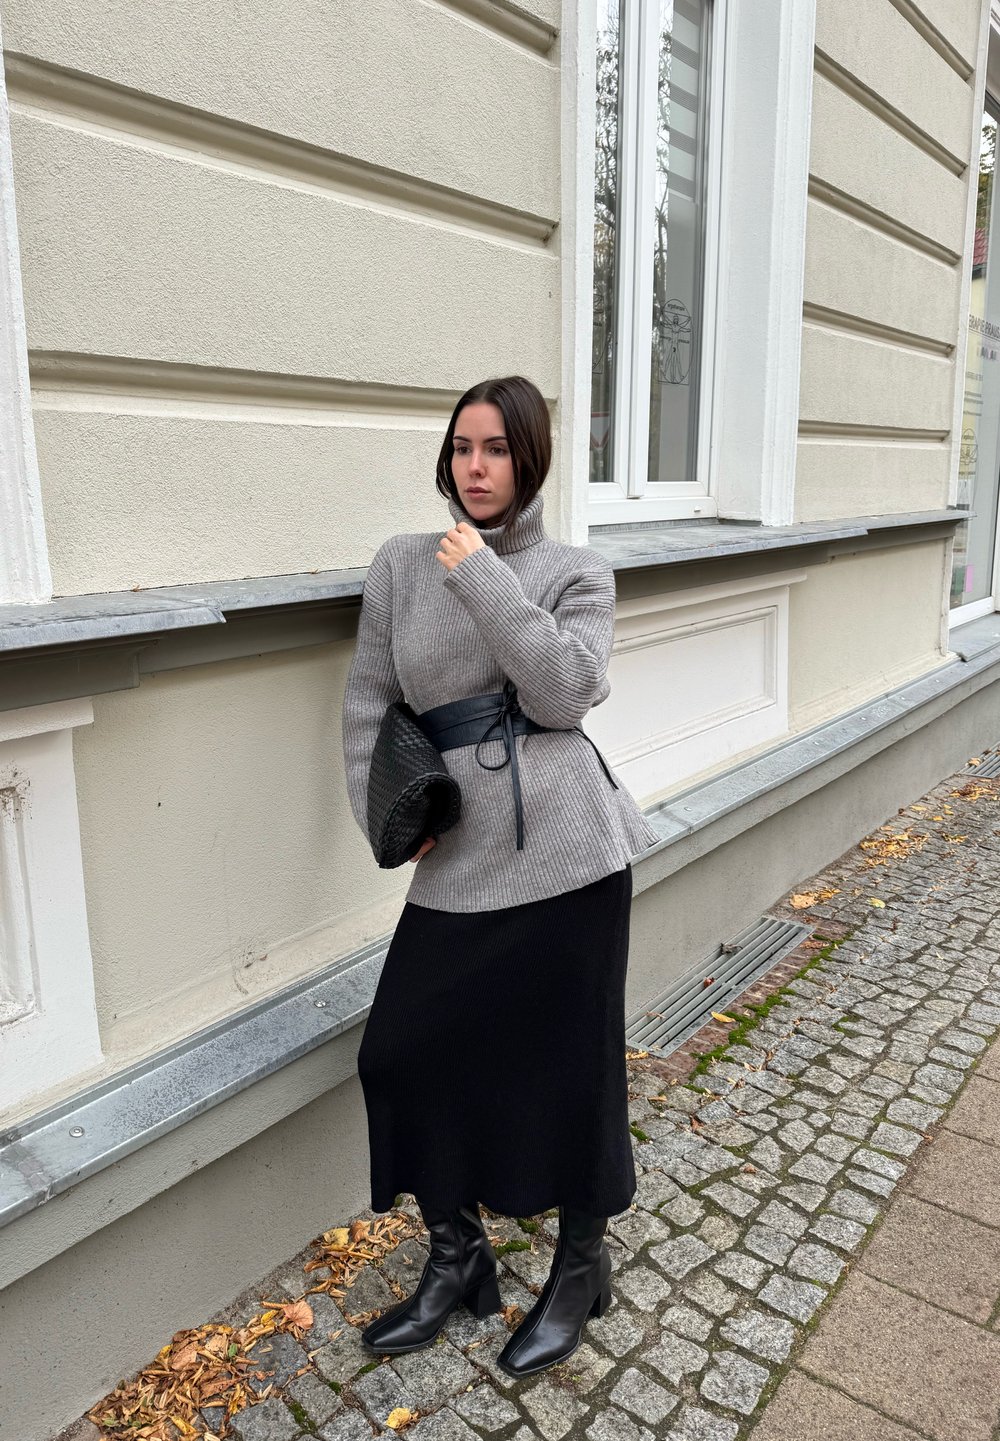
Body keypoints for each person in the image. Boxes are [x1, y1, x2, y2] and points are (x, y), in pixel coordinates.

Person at [341, 375, 660, 1378]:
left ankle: (578, 1264)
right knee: (399, 1052)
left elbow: (567, 693)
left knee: (571, 1072)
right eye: (460, 448)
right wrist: (393, 816)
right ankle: (457, 1257)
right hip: (459, 847)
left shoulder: (575, 569)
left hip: (567, 852)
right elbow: (365, 702)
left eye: (495, 450)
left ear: (529, 460)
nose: (474, 468)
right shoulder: (398, 565)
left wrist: (483, 575)